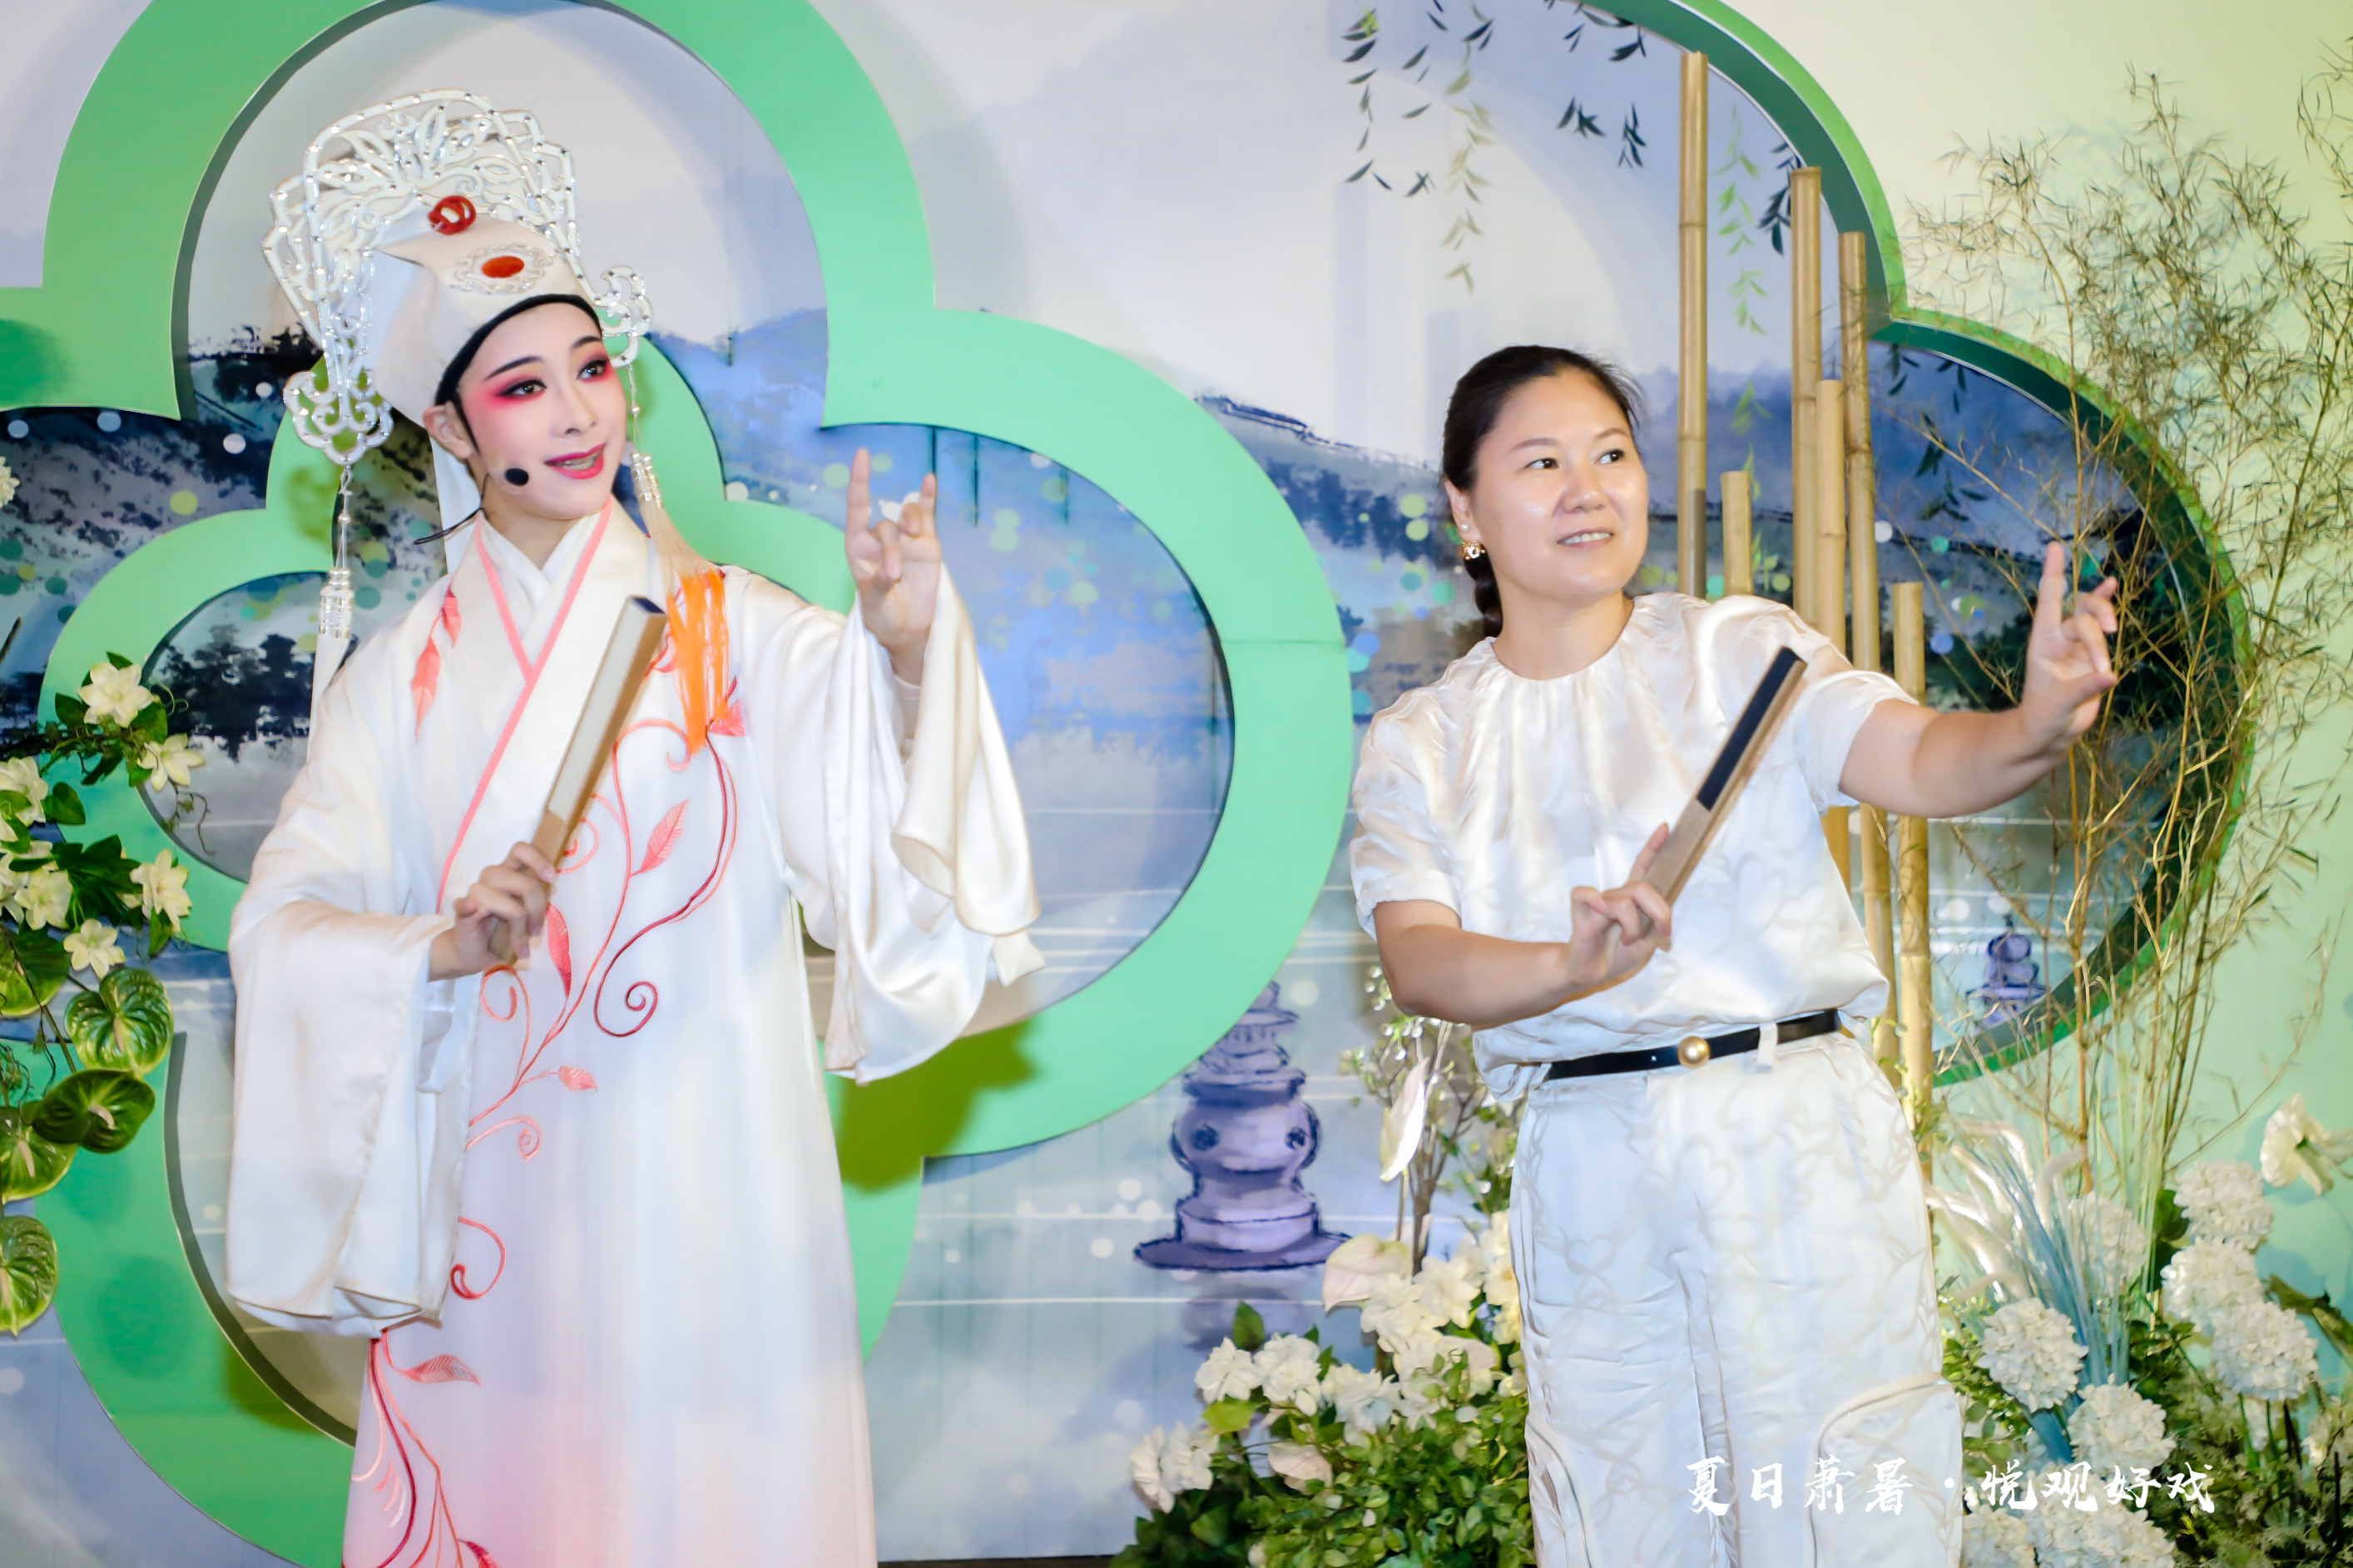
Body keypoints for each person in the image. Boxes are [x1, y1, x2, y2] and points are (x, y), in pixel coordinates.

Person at [224, 96, 1039, 1566]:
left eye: (594, 368)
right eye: (524, 385)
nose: (579, 411)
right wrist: (438, 946)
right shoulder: (397, 683)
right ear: (447, 426)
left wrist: (910, 644)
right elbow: (283, 927)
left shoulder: (730, 630)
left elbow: (882, 806)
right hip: (494, 1210)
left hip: (707, 1178)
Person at [1350, 344, 2119, 1566]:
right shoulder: (1424, 739)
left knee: (1844, 1501)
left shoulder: (1740, 654)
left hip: (1796, 1138)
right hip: (1594, 1166)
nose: (1587, 489)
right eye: (1541, 463)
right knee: (1631, 1513)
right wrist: (1568, 967)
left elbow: (1923, 759)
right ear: (1465, 509)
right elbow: (1422, 960)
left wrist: (2033, 724)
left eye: (1610, 454)